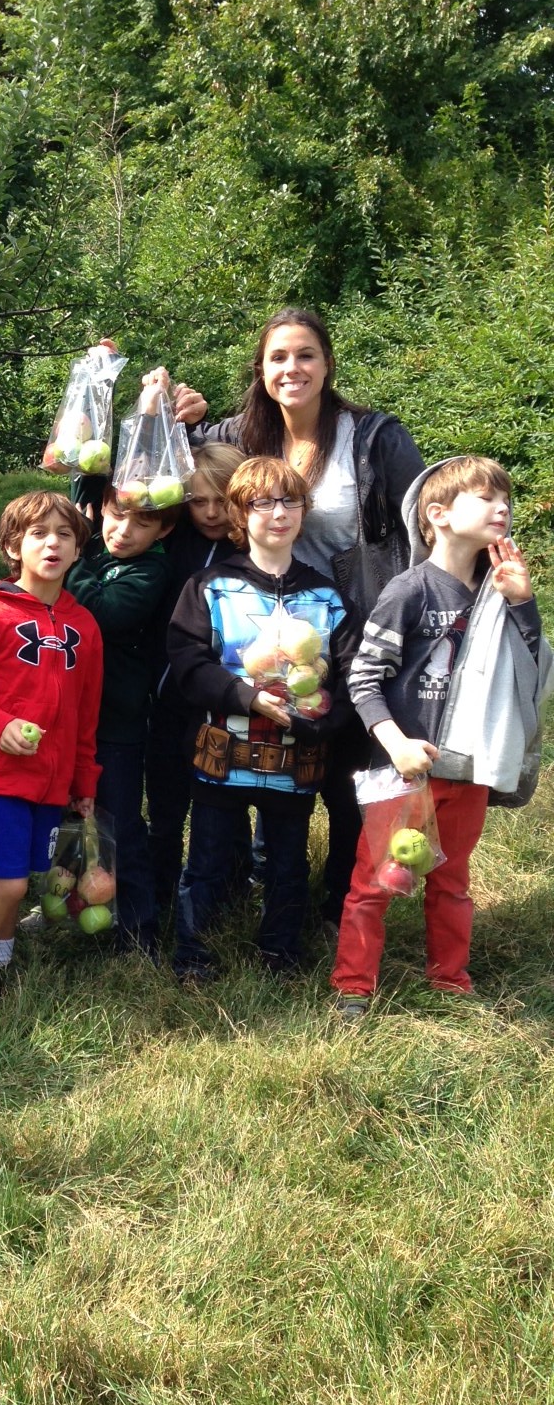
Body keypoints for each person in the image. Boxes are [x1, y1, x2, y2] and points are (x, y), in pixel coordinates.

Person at [189, 309, 424, 933]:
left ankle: (334, 910)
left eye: (306, 355)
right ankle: (261, 885)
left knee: (348, 778)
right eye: (278, 358)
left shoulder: (373, 438)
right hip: (261, 633)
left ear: (327, 363)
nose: (292, 368)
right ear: (262, 371)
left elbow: (425, 524)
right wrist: (169, 407)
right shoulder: (247, 434)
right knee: (270, 768)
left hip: (355, 634)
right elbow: (172, 459)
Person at [331, 457, 549, 1014]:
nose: (503, 506)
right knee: (375, 881)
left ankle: (449, 978)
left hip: (467, 767)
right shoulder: (411, 590)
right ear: (439, 515)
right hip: (405, 769)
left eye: (506, 497)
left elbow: (532, 672)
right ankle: (354, 985)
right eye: (486, 497)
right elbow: (364, 677)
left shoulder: (499, 594)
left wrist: (523, 604)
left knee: (451, 880)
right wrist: (396, 743)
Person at [167, 457, 358, 980]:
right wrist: (241, 695)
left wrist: (318, 720)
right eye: (263, 503)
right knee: (205, 861)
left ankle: (281, 954)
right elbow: (188, 660)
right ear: (239, 513)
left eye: (290, 501)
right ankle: (195, 955)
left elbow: (347, 673)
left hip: (296, 757)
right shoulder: (211, 586)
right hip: (222, 755)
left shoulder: (324, 595)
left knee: (287, 864)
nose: (279, 513)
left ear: (304, 511)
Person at [0, 492, 103, 1027]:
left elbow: (84, 715)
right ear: (12, 545)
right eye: (38, 533)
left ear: (79, 548)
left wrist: (84, 781)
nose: (52, 543)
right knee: (6, 882)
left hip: (52, 782)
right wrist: (0, 725)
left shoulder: (86, 627)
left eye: (64, 534)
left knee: (24, 875)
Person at [66, 482, 178, 956]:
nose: (124, 531)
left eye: (142, 523)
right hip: (71, 714)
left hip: (119, 721)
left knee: (121, 822)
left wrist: (71, 566)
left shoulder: (152, 568)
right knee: (69, 816)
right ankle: (71, 900)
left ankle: (139, 926)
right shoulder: (90, 547)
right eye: (115, 515)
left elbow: (105, 611)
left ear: (165, 530)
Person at [145, 440, 247, 914]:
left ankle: (232, 896)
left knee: (227, 810)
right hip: (166, 701)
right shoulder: (170, 539)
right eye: (198, 501)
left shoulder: (250, 549)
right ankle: (159, 898)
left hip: (224, 703)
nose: (210, 513)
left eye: (221, 502)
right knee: (165, 810)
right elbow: (125, 485)